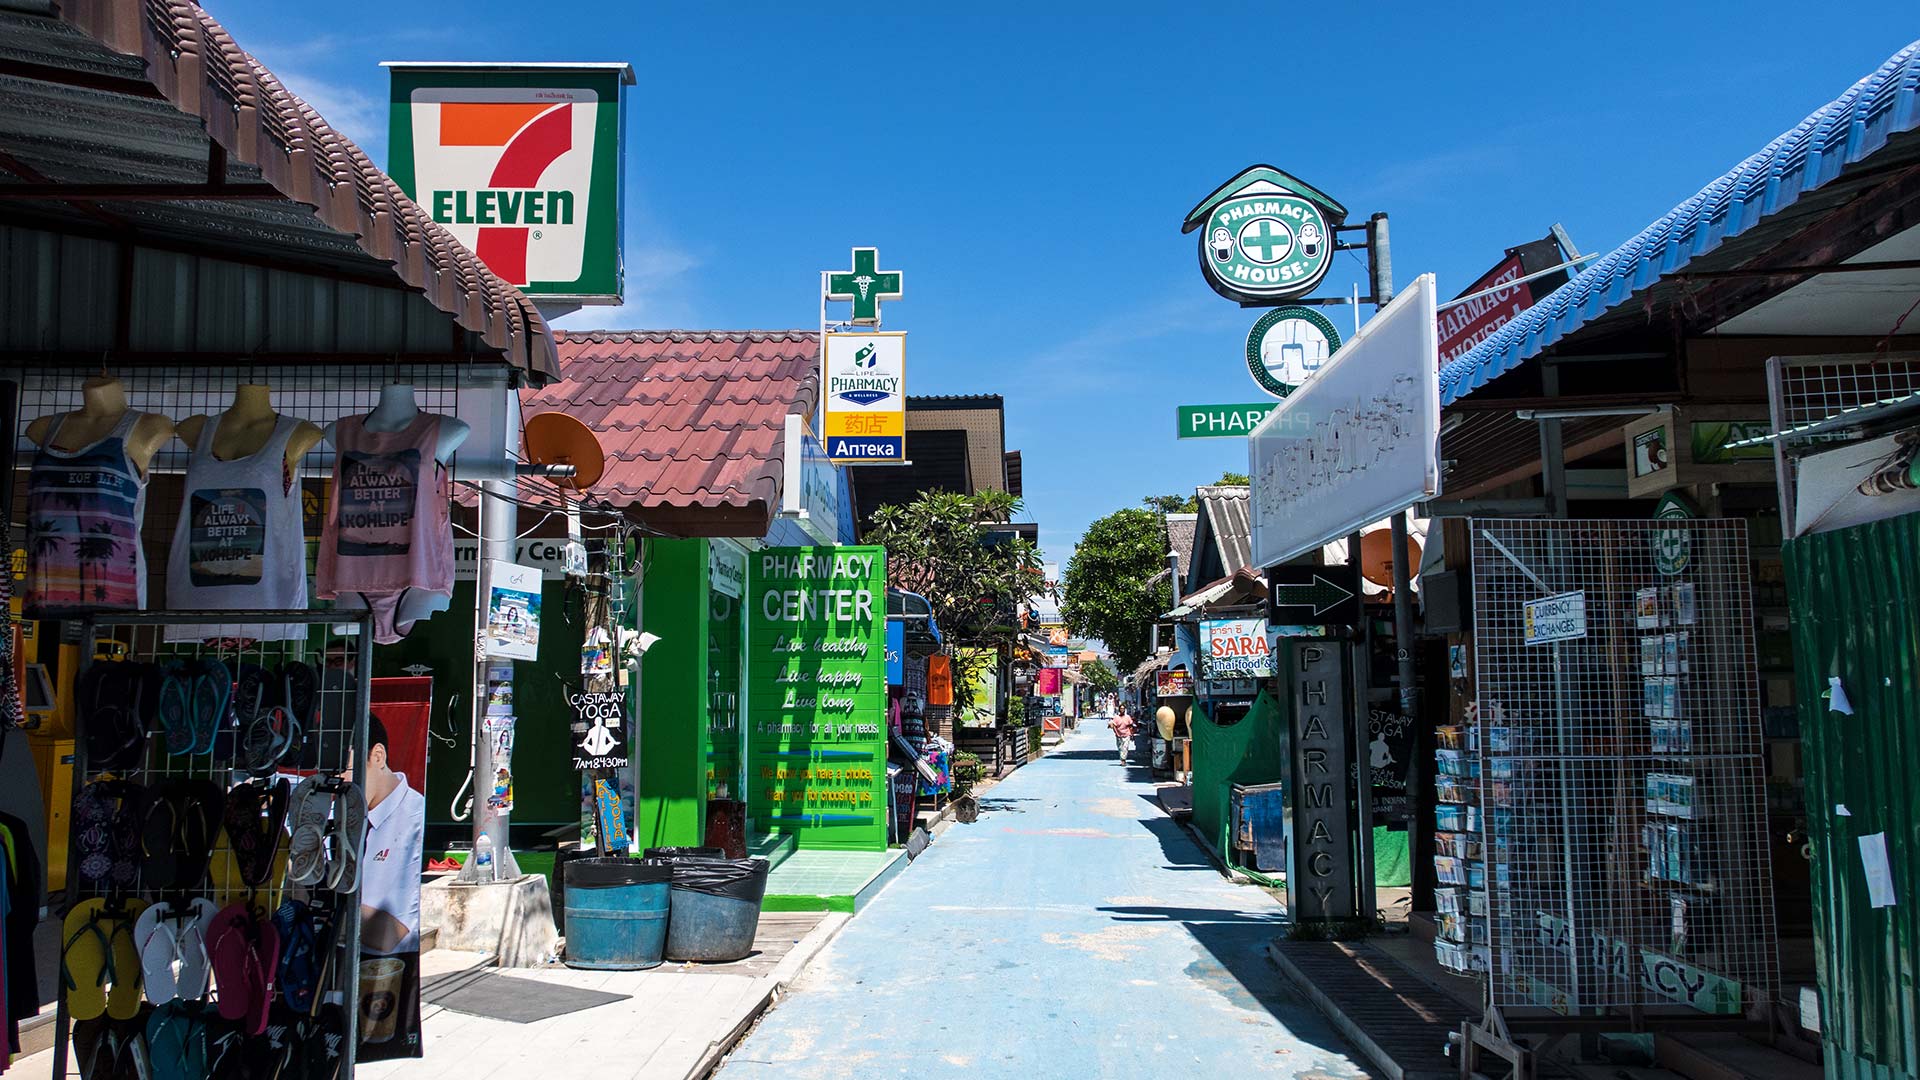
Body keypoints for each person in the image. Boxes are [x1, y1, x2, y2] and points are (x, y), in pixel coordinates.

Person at [357, 715, 425, 954]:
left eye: (347, 769)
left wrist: (324, 903)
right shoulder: (337, 814)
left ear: (377, 756)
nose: (340, 781)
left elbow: (390, 933)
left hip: (389, 968)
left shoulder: (414, 815)